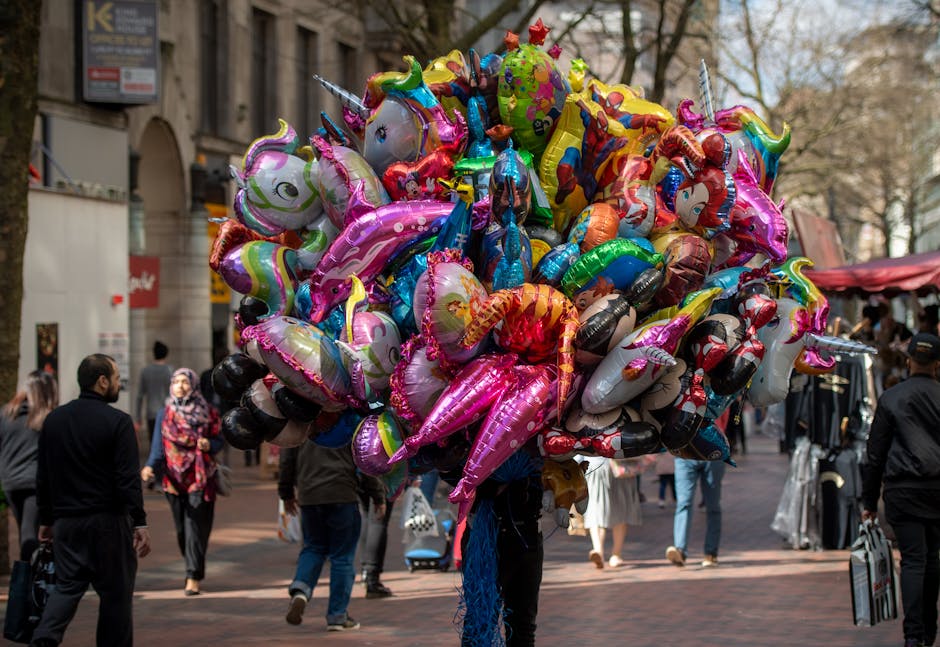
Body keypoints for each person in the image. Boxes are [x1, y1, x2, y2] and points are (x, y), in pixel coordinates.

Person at [31, 354, 151, 647]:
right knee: (115, 596)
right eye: (116, 378)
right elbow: (128, 479)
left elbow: (43, 475)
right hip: (109, 524)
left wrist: (46, 519)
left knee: (67, 587)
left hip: (68, 524)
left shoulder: (54, 420)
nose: (118, 384)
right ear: (102, 381)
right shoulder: (118, 422)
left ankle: (44, 639)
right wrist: (139, 521)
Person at [862, 333, 940, 647]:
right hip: (937, 490)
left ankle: (913, 635)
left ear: (908, 360)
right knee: (932, 559)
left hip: (902, 490)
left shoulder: (892, 397)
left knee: (913, 560)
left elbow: (875, 454)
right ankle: (929, 629)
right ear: (937, 364)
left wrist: (869, 500)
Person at [279, 439, 385, 631]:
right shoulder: (349, 416)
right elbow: (364, 458)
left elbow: (287, 457)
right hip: (342, 493)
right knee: (342, 557)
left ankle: (301, 590)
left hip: (310, 494)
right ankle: (337, 615)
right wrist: (377, 495)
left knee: (313, 548)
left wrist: (286, 492)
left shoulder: (301, 418)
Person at [140, 368, 222, 595]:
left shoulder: (208, 412)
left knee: (195, 525)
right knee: (181, 530)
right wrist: (149, 467)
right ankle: (193, 564)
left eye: (185, 382)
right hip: (173, 479)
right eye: (176, 382)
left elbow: (219, 440)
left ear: (194, 385)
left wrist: (210, 445)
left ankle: (193, 576)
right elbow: (158, 447)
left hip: (200, 476)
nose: (180, 386)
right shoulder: (164, 414)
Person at [0, 371, 58, 561]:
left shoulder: (6, 414)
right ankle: (29, 581)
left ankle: (30, 576)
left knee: (26, 529)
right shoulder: (46, 418)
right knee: (30, 533)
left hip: (10, 481)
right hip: (34, 483)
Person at [665, 448, 726, 568]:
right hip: (684, 455)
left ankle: (711, 553)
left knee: (713, 506)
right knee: (683, 503)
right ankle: (680, 551)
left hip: (713, 453)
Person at [581, 456, 642, 569]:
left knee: (596, 509)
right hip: (618, 465)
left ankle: (601, 551)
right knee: (619, 511)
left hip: (600, 465)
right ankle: (613, 554)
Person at [135, 340, 173, 448]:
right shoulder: (169, 370)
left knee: (154, 444)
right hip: (167, 412)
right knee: (167, 444)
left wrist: (138, 418)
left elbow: (140, 396)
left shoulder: (145, 371)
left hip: (151, 413)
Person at [358, 489, 394, 598]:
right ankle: (371, 577)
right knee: (378, 520)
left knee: (367, 514)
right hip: (384, 476)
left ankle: (366, 572)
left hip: (361, 474)